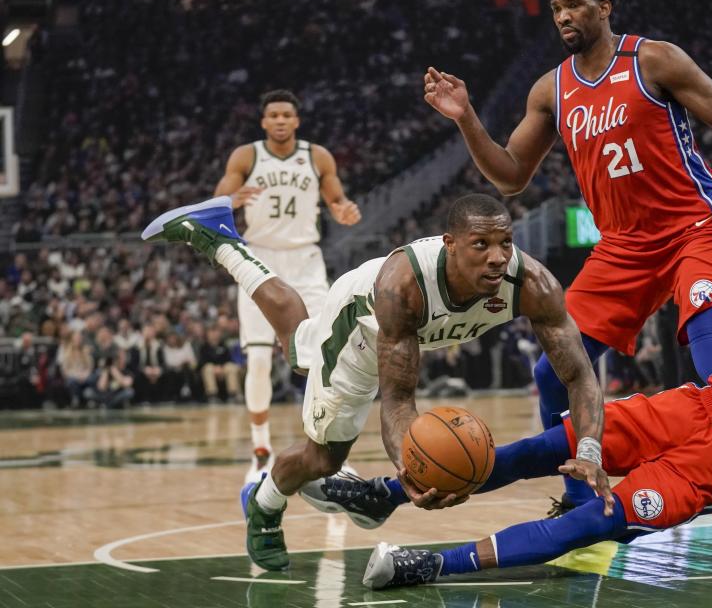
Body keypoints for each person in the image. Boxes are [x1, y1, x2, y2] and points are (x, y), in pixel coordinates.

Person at [421, 0, 712, 511]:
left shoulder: (653, 60)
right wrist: (467, 120)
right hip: (623, 247)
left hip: (694, 229)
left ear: (604, 8)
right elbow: (509, 175)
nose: (563, 17)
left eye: (574, 4)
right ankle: (578, 496)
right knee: (553, 370)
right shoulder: (550, 89)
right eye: (555, 9)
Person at [359, 204, 712, 589]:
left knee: (596, 521)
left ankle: (430, 564)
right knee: (543, 448)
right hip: (691, 408)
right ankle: (393, 489)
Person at [140, 192, 608, 572]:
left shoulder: (534, 284)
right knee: (323, 457)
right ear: (450, 244)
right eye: (481, 245)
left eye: (505, 243)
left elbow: (578, 373)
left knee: (297, 341)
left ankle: (220, 235)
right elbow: (399, 398)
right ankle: (264, 504)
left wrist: (589, 450)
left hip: (404, 332)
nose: (497, 258)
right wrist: (413, 470)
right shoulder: (405, 285)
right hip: (361, 329)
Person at [214, 89, 362, 481]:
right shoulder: (246, 156)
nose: (280, 120)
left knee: (327, 355)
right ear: (264, 122)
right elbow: (218, 198)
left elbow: (336, 199)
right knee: (259, 358)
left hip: (306, 261)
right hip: (260, 258)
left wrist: (343, 209)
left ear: (296, 120)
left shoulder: (317, 156)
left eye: (286, 115)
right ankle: (260, 450)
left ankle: (332, 453)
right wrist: (231, 200)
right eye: (273, 115)